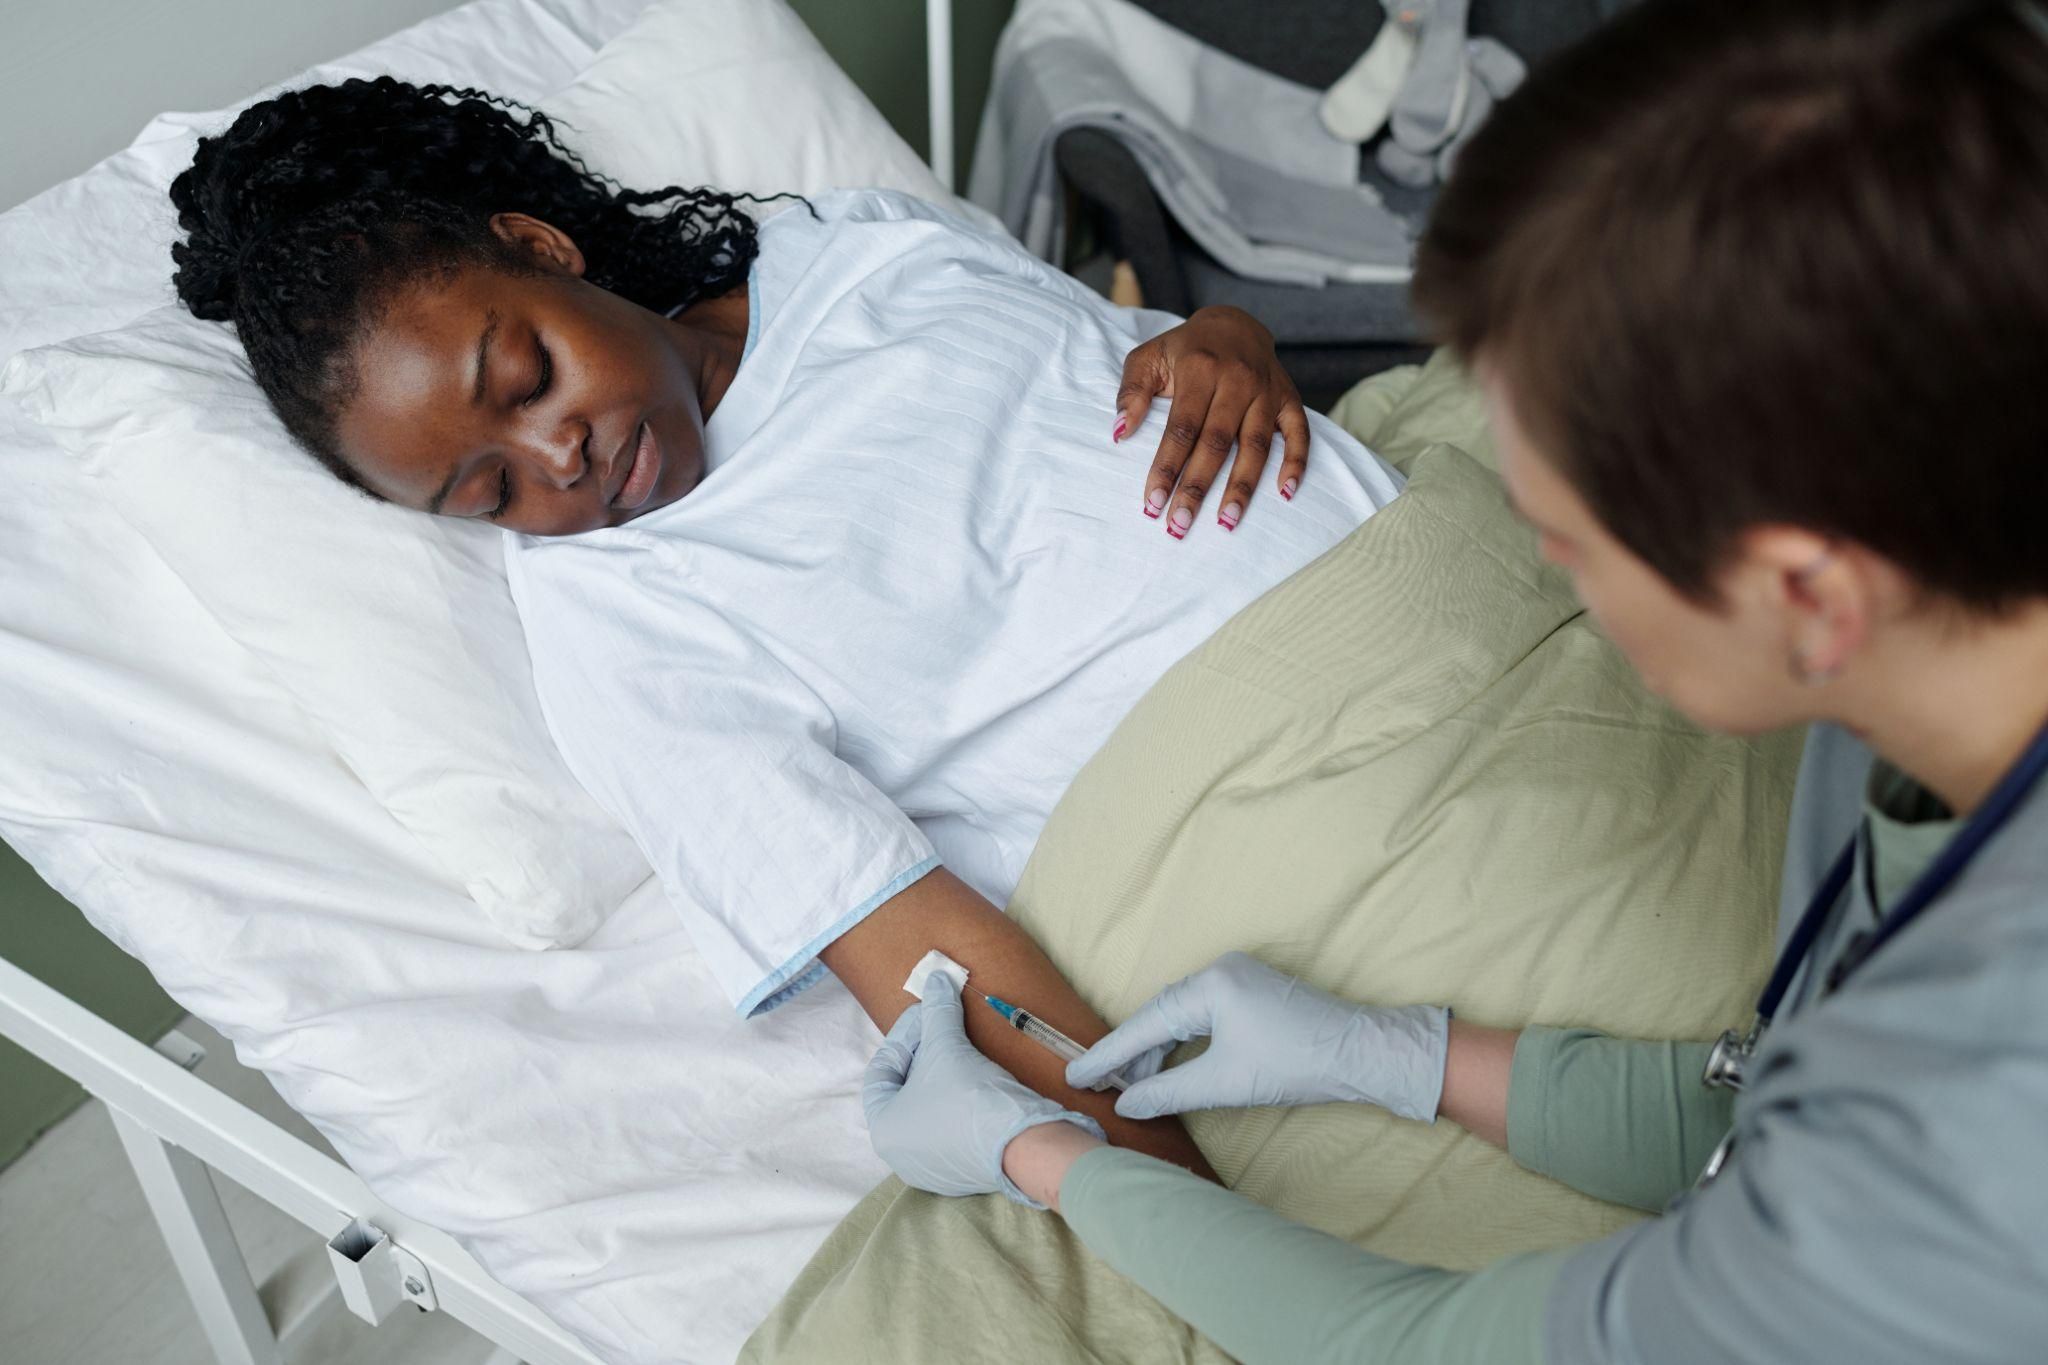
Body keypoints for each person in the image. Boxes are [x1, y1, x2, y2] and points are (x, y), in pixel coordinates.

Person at [860, 0, 2048, 1358]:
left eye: (1567, 544)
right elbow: (1755, 1103)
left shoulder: (1961, 1148)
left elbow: (1422, 1345)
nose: (1549, 569)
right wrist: (1396, 1055)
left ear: (1806, 593)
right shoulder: (1910, 715)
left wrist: (1035, 1153)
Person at [165, 78, 1413, 1171]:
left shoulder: (860, 248)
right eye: (490, 494)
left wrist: (1228, 338)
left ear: (542, 247)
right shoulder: (621, 634)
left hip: (1441, 582)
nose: (560, 458)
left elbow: (1120, 367)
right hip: (1324, 829)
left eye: (530, 376)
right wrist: (1183, 1203)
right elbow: (922, 951)